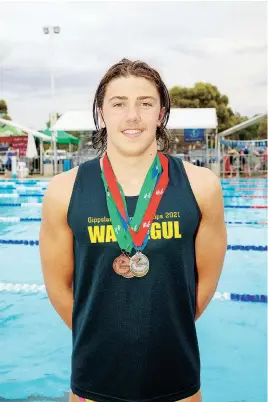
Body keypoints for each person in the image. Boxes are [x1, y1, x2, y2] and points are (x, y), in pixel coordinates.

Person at [39, 59, 227, 402]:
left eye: (145, 103)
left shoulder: (202, 187)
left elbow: (204, 285)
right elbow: (58, 287)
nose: (132, 116)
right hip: (93, 381)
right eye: (118, 103)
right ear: (102, 112)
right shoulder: (63, 191)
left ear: (161, 112)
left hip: (177, 380)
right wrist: (101, 337)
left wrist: (164, 333)